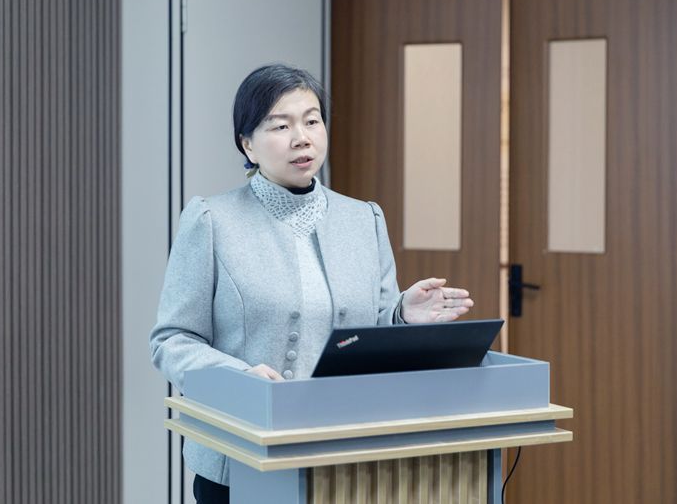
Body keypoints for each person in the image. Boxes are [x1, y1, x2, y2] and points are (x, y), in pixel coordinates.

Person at [150, 64, 474, 503]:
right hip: (241, 455)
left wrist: (400, 314)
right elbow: (172, 340)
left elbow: (367, 336)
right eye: (280, 125)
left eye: (312, 120)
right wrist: (239, 378)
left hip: (343, 454)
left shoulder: (364, 219)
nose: (301, 137)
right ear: (247, 144)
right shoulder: (212, 220)